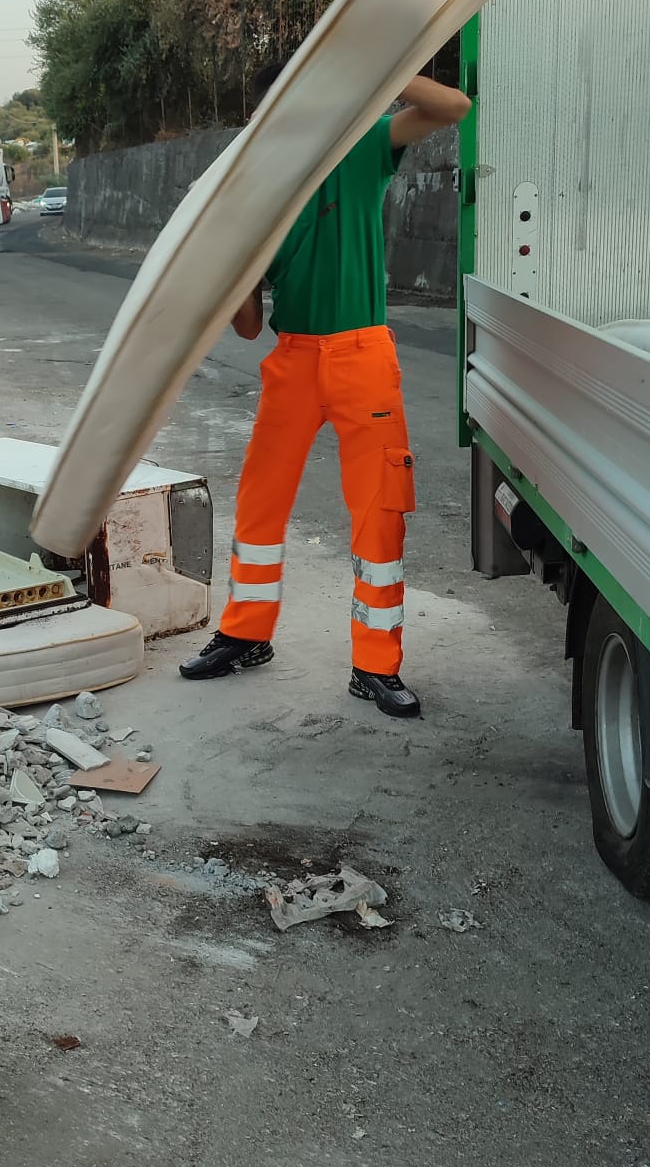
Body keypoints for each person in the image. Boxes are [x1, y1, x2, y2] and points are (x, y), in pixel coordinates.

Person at [179, 70, 471, 719]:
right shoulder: (259, 203)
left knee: (378, 512)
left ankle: (375, 666)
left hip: (363, 355)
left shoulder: (362, 147)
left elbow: (453, 106)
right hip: (292, 360)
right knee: (258, 503)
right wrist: (233, 275)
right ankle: (245, 635)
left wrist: (384, 68)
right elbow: (251, 325)